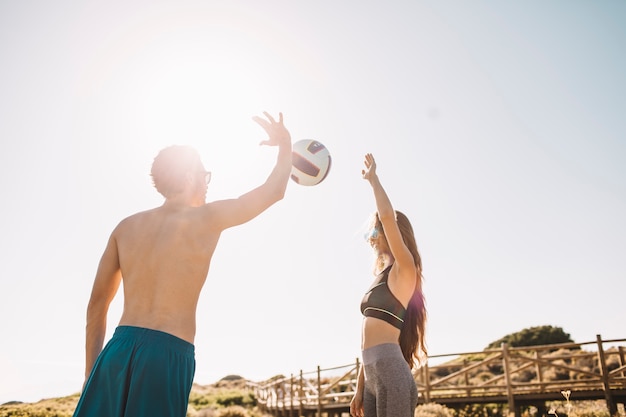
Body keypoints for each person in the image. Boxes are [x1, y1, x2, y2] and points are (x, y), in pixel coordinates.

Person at [72, 112, 292, 417]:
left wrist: (90, 374)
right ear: (189, 177)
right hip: (166, 354)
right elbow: (274, 191)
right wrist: (285, 145)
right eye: (204, 175)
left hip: (116, 352)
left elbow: (97, 305)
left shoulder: (125, 227)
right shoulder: (208, 218)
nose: (207, 182)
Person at [350, 153, 427, 417]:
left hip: (391, 375)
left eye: (375, 231)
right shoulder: (382, 276)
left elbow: (386, 215)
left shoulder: (405, 269)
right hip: (373, 374)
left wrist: (373, 181)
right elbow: (367, 340)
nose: (370, 237)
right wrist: (360, 388)